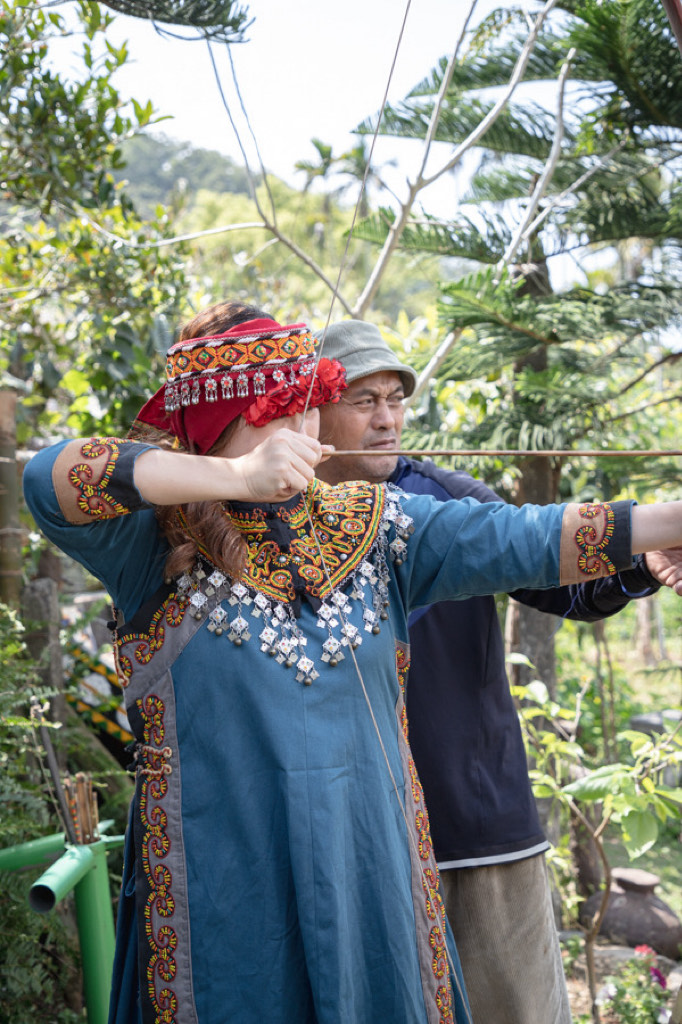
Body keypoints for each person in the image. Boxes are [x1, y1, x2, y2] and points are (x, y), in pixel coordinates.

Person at [22, 302, 682, 1024]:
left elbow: (527, 535)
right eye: (284, 410)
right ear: (223, 424)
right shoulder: (151, 544)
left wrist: (667, 522)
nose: (305, 432)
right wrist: (236, 476)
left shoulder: (378, 527)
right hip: (222, 886)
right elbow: (49, 476)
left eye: (309, 408)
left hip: (372, 875)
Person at [314, 318, 682, 1024]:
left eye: (396, 398)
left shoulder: (447, 501)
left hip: (476, 830)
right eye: (365, 401)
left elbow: (558, 579)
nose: (388, 419)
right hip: (350, 838)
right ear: (310, 409)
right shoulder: (269, 519)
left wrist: (639, 563)